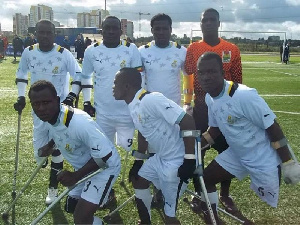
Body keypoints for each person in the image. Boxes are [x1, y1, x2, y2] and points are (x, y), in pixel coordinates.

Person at [196, 52, 300, 224]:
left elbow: (273, 127)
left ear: (223, 73)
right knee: (206, 179)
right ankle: (214, 220)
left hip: (261, 157)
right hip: (237, 153)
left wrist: (288, 163)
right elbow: (214, 130)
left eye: (211, 71)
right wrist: (194, 146)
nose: (206, 77)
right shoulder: (210, 98)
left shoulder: (243, 95)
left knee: (269, 207)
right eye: (201, 72)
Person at [29, 80, 121, 225]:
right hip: (85, 168)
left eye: (46, 102)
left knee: (81, 219)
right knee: (71, 206)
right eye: (36, 104)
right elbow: (60, 132)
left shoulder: (79, 122)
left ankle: (103, 197)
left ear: (57, 101)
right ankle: (101, 202)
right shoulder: (52, 116)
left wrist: (75, 176)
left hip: (104, 168)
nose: (41, 108)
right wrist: (50, 145)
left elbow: (105, 155)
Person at [113, 67, 196, 224]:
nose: (112, 87)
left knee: (169, 217)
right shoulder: (133, 104)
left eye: (115, 83)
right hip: (161, 158)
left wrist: (189, 159)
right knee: (139, 181)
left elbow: (187, 121)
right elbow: (143, 132)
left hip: (177, 161)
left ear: (126, 86)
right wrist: (138, 161)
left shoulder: (151, 99)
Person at [13, 19, 82, 205]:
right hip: (38, 110)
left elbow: (79, 76)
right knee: (40, 155)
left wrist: (71, 97)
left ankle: (52, 190)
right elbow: (21, 75)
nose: (44, 36)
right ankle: (45, 159)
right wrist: (21, 97)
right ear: (36, 33)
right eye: (41, 32)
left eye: (48, 32)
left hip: (58, 111)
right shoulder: (29, 52)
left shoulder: (64, 54)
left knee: (57, 149)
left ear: (54, 34)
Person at [183, 8, 242, 214]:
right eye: (204, 20)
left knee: (227, 150)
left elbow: (237, 81)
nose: (208, 23)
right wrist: (188, 102)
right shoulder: (193, 48)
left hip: (225, 109)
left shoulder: (231, 49)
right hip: (200, 108)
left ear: (219, 23)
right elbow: (189, 76)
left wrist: (235, 106)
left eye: (212, 20)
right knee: (198, 152)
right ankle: (200, 194)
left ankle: (225, 194)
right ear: (200, 24)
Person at [81, 15, 142, 154]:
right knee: (104, 152)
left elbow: (139, 79)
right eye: (107, 28)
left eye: (114, 28)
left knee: (126, 152)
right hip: (103, 113)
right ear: (101, 31)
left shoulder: (131, 49)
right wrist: (86, 102)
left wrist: (137, 103)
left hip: (127, 113)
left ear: (121, 31)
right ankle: (108, 176)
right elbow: (85, 77)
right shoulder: (91, 51)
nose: (111, 31)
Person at [139, 13, 186, 106]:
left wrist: (187, 101)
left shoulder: (181, 51)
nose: (161, 32)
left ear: (171, 30)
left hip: (173, 106)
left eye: (165, 29)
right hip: (150, 106)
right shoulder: (142, 52)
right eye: (157, 29)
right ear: (152, 30)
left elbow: (188, 76)